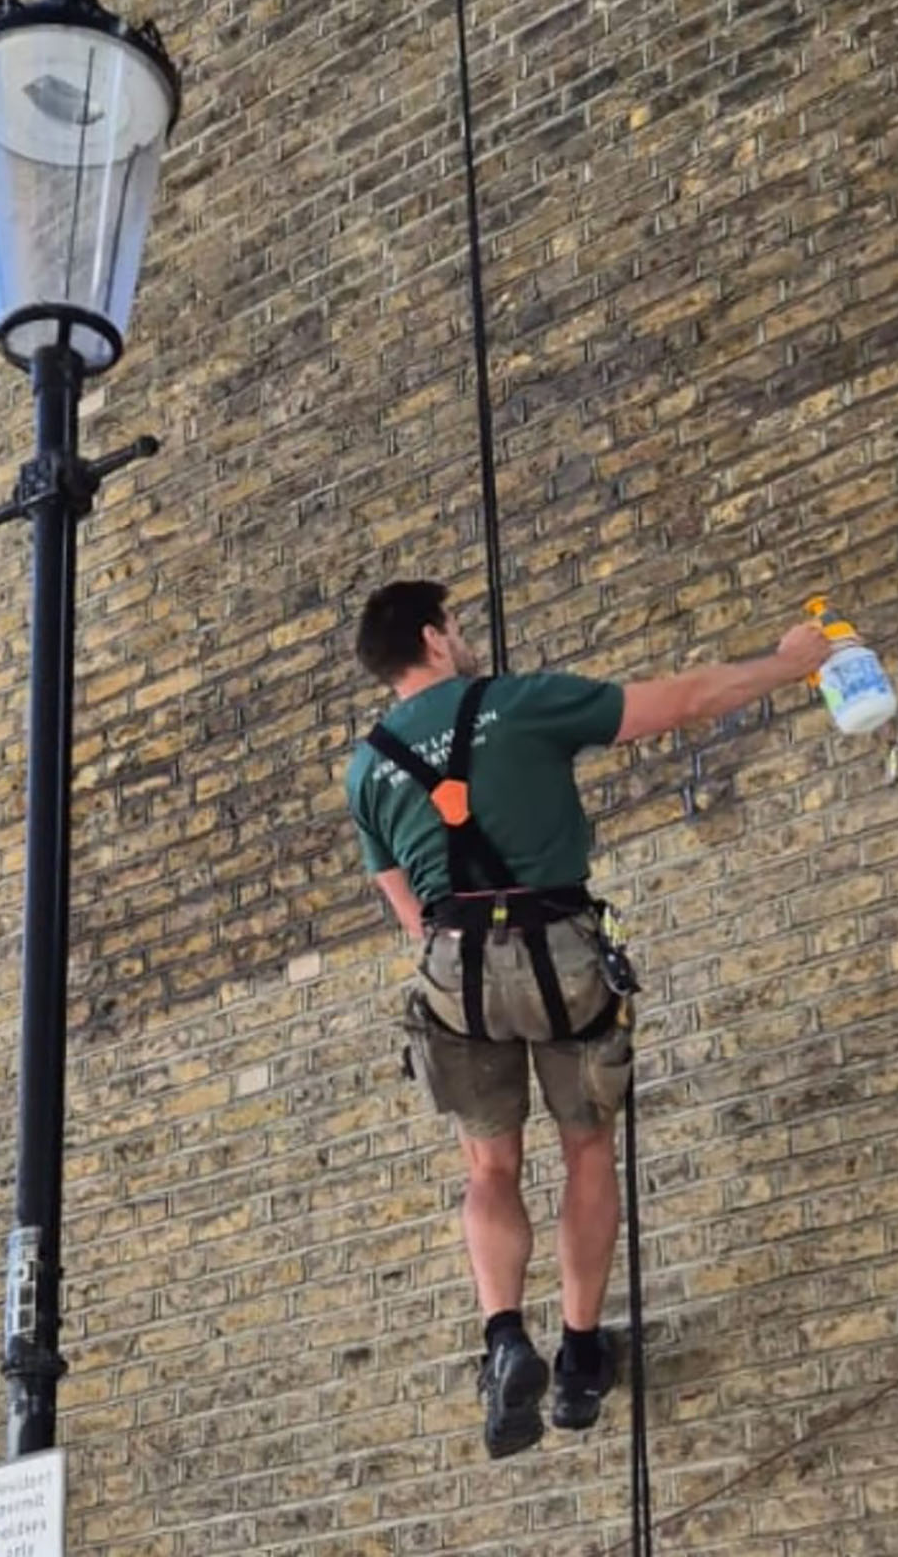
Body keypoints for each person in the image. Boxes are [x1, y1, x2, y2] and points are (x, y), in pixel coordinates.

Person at [345, 579, 832, 1459]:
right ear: (434, 637)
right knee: (587, 1147)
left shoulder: (367, 766)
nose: (465, 636)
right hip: (560, 951)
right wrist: (789, 662)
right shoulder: (521, 702)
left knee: (490, 1165)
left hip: (455, 973)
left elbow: (407, 910)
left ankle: (504, 1338)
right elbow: (686, 701)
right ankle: (577, 1355)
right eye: (457, 624)